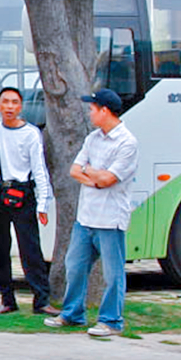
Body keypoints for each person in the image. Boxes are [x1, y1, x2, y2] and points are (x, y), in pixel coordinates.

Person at [46, 89, 140, 338]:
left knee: (113, 273)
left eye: (92, 108)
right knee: (74, 266)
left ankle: (111, 320)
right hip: (85, 217)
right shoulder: (93, 139)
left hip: (110, 218)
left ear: (104, 110)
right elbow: (75, 171)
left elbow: (109, 179)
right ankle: (73, 313)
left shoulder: (127, 142)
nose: (89, 113)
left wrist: (94, 174)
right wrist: (94, 175)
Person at [0, 86, 54, 315]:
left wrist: (43, 203)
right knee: (1, 247)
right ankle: (7, 299)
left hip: (23, 192)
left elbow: (39, 170)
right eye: (5, 102)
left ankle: (41, 300)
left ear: (21, 107)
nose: (9, 107)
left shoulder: (31, 133)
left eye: (14, 102)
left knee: (30, 248)